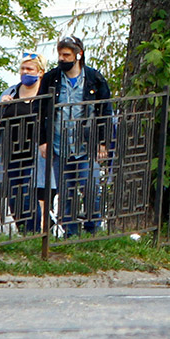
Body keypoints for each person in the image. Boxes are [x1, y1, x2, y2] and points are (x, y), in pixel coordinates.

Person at [37, 35, 113, 237]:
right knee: (66, 192)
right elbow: (41, 110)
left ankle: (92, 231)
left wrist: (103, 143)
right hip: (59, 144)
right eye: (60, 54)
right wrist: (42, 141)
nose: (62, 59)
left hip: (85, 145)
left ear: (78, 55)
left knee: (91, 188)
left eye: (66, 55)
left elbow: (105, 111)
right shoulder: (51, 78)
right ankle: (70, 234)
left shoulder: (94, 79)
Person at [0, 52, 48, 233]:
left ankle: (33, 233)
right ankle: (22, 230)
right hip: (11, 150)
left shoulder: (45, 94)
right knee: (13, 195)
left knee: (27, 193)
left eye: (30, 69)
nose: (25, 72)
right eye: (23, 68)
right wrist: (3, 104)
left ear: (40, 72)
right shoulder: (12, 91)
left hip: (34, 152)